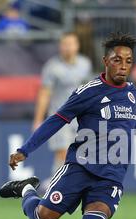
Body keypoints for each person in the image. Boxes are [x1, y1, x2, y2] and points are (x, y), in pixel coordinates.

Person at [0, 32, 136, 219]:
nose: (123, 66)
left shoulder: (131, 91)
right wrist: (25, 150)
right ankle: (25, 189)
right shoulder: (89, 92)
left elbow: (127, 122)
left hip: (112, 174)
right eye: (117, 60)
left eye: (128, 61)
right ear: (106, 61)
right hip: (80, 167)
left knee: (96, 217)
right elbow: (56, 120)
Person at [32, 32, 92, 185]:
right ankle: (56, 184)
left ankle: (61, 183)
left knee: (79, 152)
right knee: (63, 151)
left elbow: (89, 90)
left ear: (77, 46)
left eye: (71, 44)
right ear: (60, 46)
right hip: (59, 117)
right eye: (65, 44)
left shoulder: (85, 64)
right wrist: (38, 119)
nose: (68, 48)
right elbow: (45, 93)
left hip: (80, 117)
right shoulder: (52, 67)